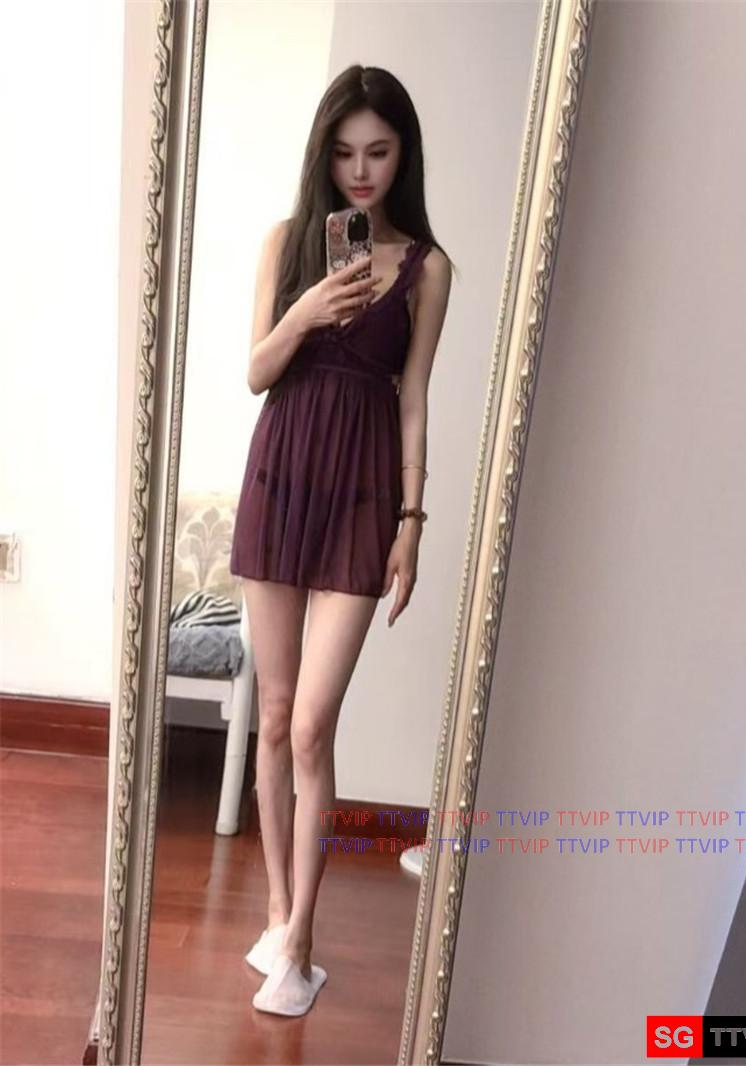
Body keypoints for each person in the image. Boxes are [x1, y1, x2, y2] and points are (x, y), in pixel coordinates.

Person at [228, 63, 452, 1016]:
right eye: (345, 153)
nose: (361, 172)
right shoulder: (288, 244)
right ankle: (280, 917)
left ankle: (304, 938)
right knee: (276, 717)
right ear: (324, 154)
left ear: (404, 156)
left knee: (316, 723)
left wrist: (411, 525)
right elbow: (256, 372)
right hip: (281, 478)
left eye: (379, 152)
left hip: (363, 491)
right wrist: (308, 308)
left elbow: (413, 400)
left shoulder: (428, 269)